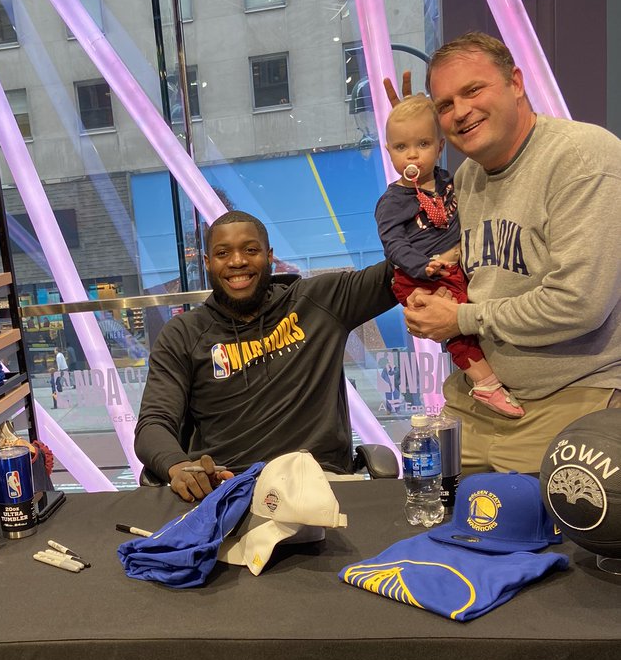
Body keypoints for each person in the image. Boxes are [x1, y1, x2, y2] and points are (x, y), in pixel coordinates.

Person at [392, 32, 621, 473]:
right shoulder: (469, 178)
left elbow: (579, 304)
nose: (460, 111)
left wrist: (459, 318)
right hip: (478, 402)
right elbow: (470, 274)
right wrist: (434, 301)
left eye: (473, 90)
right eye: (444, 105)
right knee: (435, 526)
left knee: (538, 539)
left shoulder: (584, 158)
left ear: (515, 82)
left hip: (571, 400)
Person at [134, 210, 396, 502]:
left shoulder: (320, 301)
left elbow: (401, 273)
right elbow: (153, 424)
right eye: (223, 253)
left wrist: (412, 202)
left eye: (250, 250)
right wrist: (179, 466)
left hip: (320, 484)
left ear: (269, 256)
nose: (237, 261)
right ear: (208, 263)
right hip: (230, 490)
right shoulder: (182, 333)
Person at [376, 94, 523, 418]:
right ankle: (486, 384)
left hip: (457, 265)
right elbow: (393, 244)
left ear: (440, 147)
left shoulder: (449, 182)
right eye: (401, 147)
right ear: (388, 152)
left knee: (474, 315)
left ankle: (493, 372)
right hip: (419, 275)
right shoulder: (392, 201)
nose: (412, 154)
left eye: (423, 143)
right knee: (453, 323)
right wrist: (424, 266)